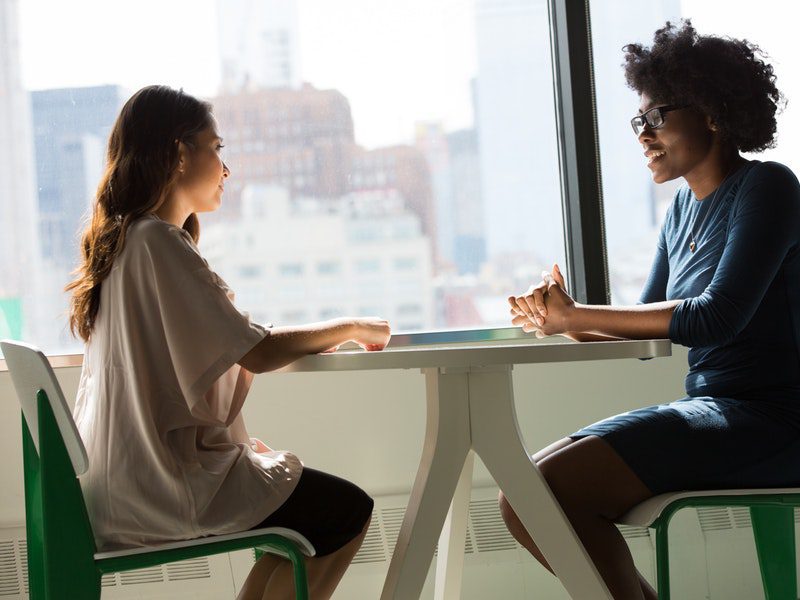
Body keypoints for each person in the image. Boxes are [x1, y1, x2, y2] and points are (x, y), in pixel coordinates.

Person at [500, 20, 800, 599]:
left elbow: (716, 317)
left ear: (711, 112)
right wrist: (557, 321)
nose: (643, 135)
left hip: (775, 420)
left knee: (544, 491)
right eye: (639, 121)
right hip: (718, 409)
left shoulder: (769, 188)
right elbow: (645, 337)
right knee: (524, 495)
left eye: (656, 117)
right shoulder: (681, 211)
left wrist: (577, 314)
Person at [67, 85, 391, 600]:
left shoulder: (127, 242)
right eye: (217, 149)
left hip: (123, 481)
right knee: (345, 511)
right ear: (179, 154)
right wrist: (349, 326)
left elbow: (227, 344)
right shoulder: (156, 242)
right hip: (160, 486)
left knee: (298, 525)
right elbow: (256, 351)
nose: (226, 167)